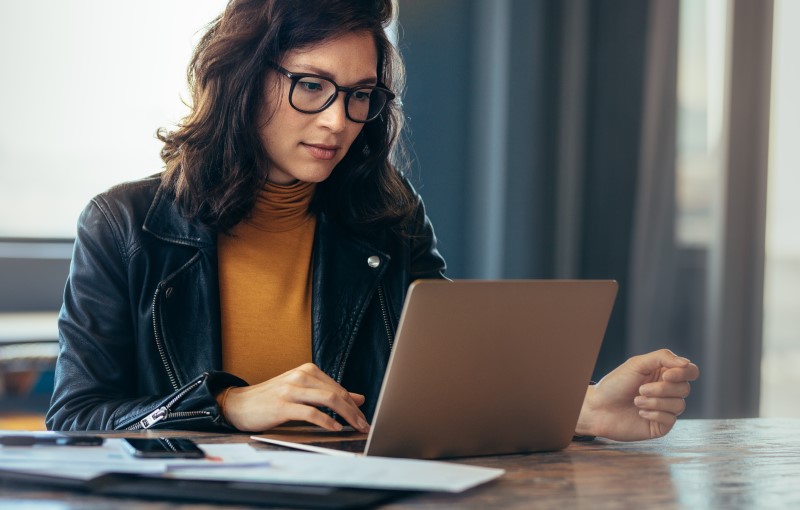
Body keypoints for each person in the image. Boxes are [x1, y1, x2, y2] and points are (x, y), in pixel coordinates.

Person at [46, 0, 699, 441]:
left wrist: (581, 408)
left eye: (360, 95)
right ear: (243, 78)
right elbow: (76, 420)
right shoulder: (124, 226)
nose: (337, 120)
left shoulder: (386, 215)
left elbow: (446, 384)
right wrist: (225, 406)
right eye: (311, 85)